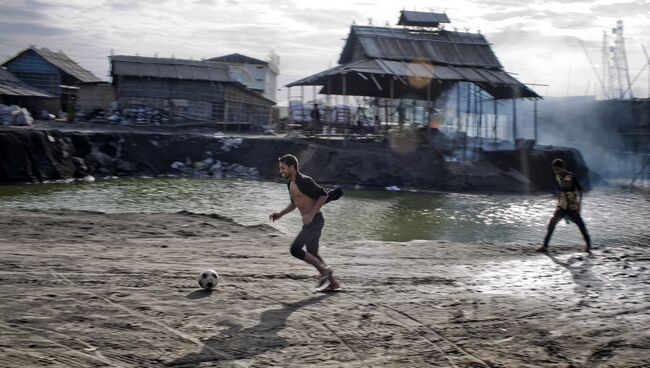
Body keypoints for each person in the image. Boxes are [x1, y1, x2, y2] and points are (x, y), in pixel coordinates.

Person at [269, 154, 342, 291]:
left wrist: (311, 214)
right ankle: (333, 283)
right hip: (311, 223)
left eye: (283, 168)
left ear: (292, 167)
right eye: (280, 168)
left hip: (315, 221)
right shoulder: (290, 184)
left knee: (295, 249)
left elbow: (323, 195)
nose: (281, 171)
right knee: (313, 253)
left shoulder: (305, 181)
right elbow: (294, 203)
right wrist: (280, 214)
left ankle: (325, 271)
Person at [538, 158, 592, 253]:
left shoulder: (571, 176)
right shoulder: (558, 177)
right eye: (554, 169)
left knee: (581, 225)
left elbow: (580, 190)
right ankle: (545, 246)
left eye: (557, 169)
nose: (556, 171)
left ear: (563, 168)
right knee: (552, 224)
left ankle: (588, 245)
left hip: (572, 206)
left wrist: (579, 205)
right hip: (562, 206)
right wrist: (558, 203)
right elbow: (559, 190)